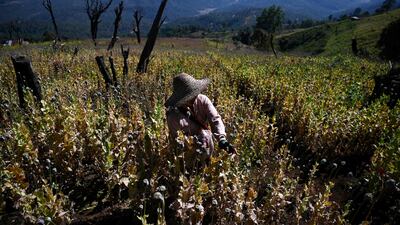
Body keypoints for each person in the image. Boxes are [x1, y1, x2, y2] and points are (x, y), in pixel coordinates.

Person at [165, 73, 236, 162]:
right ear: (180, 98)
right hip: (188, 157)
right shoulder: (173, 117)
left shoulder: (203, 100)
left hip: (208, 145)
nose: (193, 97)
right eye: (189, 97)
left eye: (194, 94)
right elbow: (176, 142)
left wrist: (222, 138)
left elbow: (215, 119)